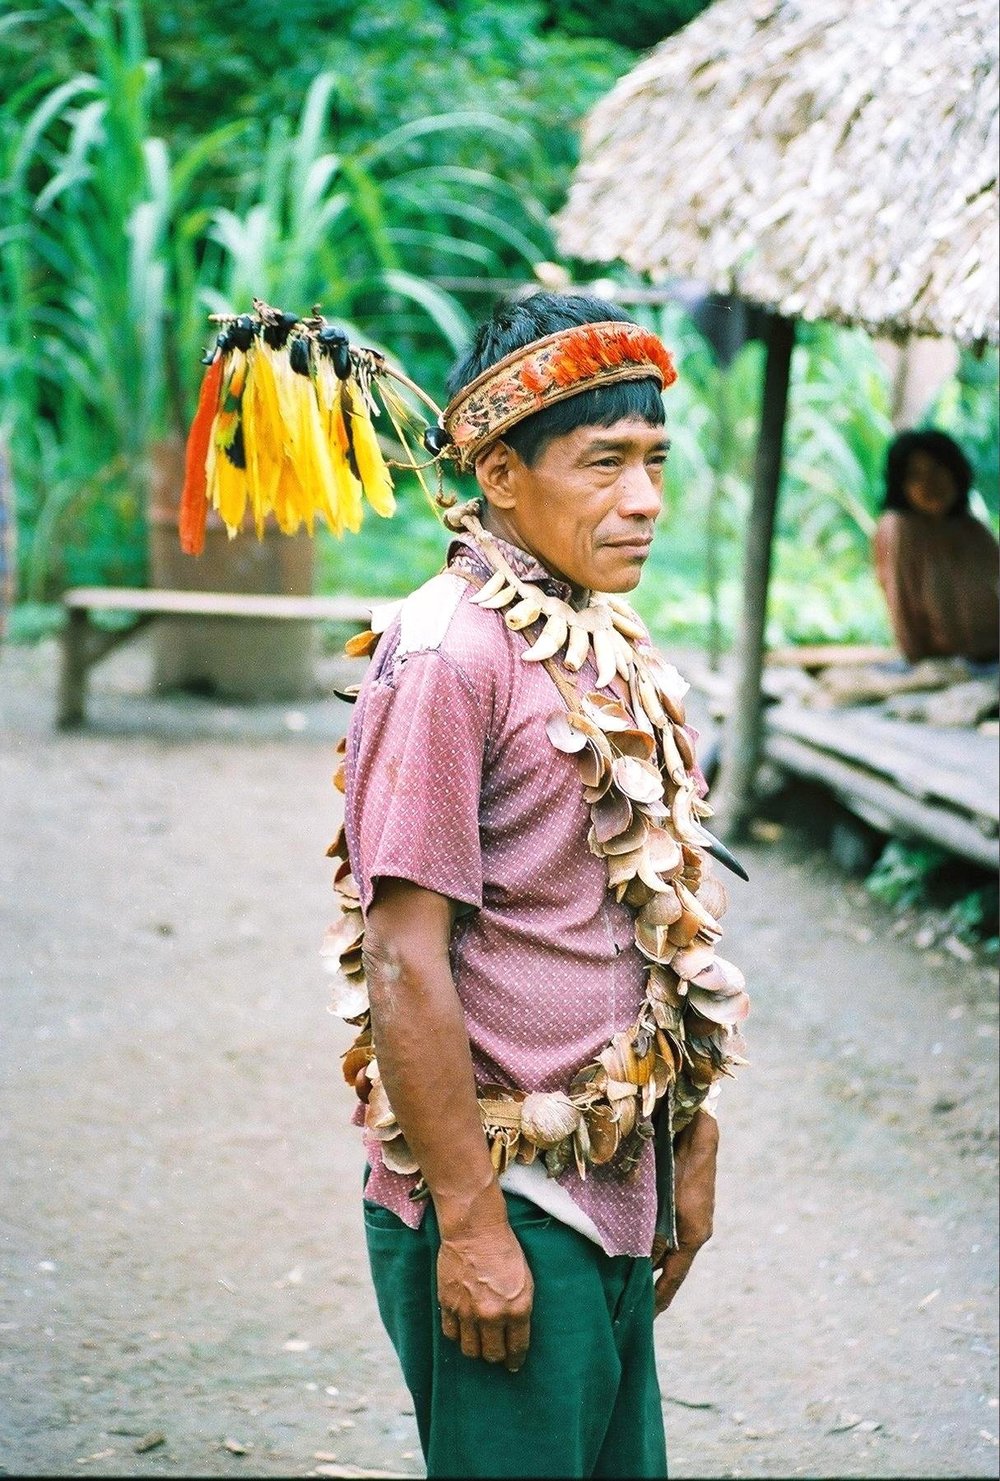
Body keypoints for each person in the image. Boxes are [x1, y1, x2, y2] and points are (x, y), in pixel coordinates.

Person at [329, 293, 749, 1479]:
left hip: (617, 1182)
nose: (645, 500)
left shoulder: (598, 635)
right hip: (507, 1201)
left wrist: (687, 1126)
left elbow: (641, 919)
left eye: (656, 462)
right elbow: (405, 953)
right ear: (501, 475)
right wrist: (468, 1219)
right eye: (604, 462)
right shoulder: (448, 652)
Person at [873, 428, 999, 664]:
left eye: (937, 469)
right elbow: (900, 605)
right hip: (941, 665)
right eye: (915, 475)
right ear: (901, 485)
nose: (929, 483)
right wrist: (922, 667)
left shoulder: (974, 530)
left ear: (955, 473)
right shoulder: (899, 527)